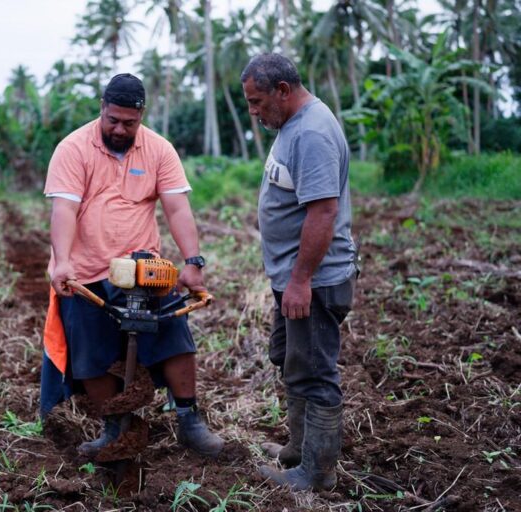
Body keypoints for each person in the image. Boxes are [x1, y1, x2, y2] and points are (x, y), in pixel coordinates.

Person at [41, 73, 224, 458]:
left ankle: (190, 422)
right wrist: (63, 262)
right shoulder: (73, 148)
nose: (120, 129)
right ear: (102, 110)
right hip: (86, 272)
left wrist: (193, 262)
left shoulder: (159, 149)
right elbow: (65, 210)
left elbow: (177, 207)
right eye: (113, 120)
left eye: (130, 122)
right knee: (90, 352)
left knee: (175, 337)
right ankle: (115, 428)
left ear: (141, 115)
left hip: (145, 268)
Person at [240, 54, 358, 491]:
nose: (253, 111)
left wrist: (301, 280)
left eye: (257, 101)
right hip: (296, 278)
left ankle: (317, 472)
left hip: (316, 281)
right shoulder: (292, 124)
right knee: (290, 360)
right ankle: (298, 449)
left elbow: (324, 211)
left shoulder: (310, 132)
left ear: (283, 91)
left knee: (314, 371)